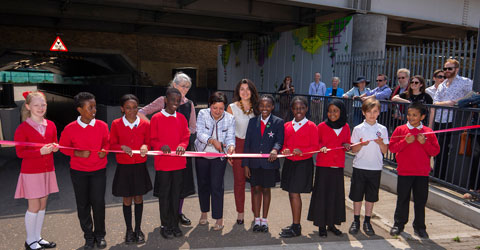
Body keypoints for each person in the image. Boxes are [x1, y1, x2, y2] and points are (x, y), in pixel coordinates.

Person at [138, 72, 196, 225]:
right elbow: (141, 112)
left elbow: (193, 128)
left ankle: (177, 213)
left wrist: (183, 135)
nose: (185, 89)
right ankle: (167, 217)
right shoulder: (162, 100)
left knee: (180, 185)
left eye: (188, 87)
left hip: (181, 149)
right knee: (166, 186)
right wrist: (155, 128)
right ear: (174, 85)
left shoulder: (189, 104)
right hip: (164, 150)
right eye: (183, 86)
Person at [59, 92, 109, 250]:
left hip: (99, 170)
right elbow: (63, 148)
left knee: (99, 203)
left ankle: (100, 235)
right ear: (79, 109)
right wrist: (77, 153)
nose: (94, 110)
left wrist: (104, 150)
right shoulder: (69, 128)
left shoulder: (102, 125)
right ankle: (88, 236)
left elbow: (108, 142)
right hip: (79, 172)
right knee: (83, 205)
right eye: (90, 107)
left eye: (94, 106)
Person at [14, 91, 58, 250]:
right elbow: (20, 153)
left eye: (43, 104)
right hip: (31, 172)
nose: (40, 108)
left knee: (42, 205)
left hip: (47, 170)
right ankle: (30, 240)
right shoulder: (23, 128)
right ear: (28, 106)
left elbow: (55, 143)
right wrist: (40, 152)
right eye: (36, 105)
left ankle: (38, 237)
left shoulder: (51, 125)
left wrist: (55, 148)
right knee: (33, 206)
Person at [389, 103, 440, 239]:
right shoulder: (400, 130)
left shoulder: (428, 132)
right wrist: (405, 142)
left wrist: (425, 143)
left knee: (420, 201)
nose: (411, 117)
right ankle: (398, 224)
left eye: (415, 115)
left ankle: (419, 227)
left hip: (422, 173)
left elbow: (435, 151)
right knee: (402, 199)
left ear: (422, 116)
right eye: (409, 114)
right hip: (405, 171)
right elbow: (392, 148)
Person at [110, 94, 152, 244]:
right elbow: (111, 144)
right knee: (127, 198)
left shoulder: (145, 124)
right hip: (124, 167)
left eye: (135, 107)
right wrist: (121, 146)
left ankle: (138, 229)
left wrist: (145, 146)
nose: (132, 111)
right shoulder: (116, 124)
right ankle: (129, 230)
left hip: (139, 166)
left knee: (138, 197)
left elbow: (149, 142)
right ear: (122, 109)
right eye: (128, 108)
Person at [150, 88, 190, 239]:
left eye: (178, 101)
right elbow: (152, 139)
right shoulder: (156, 118)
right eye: (172, 100)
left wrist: (182, 145)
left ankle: (174, 224)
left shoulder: (181, 118)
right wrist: (161, 146)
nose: (175, 103)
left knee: (176, 195)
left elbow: (186, 136)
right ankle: (165, 225)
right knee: (164, 195)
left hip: (179, 163)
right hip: (163, 164)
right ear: (165, 100)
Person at [307, 99, 351, 237]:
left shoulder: (346, 127)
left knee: (335, 196)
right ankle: (321, 225)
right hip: (323, 166)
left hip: (338, 166)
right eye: (330, 111)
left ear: (341, 112)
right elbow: (315, 144)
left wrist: (347, 145)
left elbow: (347, 142)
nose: (332, 114)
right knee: (322, 196)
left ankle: (331, 224)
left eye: (336, 111)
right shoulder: (321, 126)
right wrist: (321, 147)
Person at [243, 94, 284, 233]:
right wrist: (246, 164)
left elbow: (279, 140)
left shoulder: (278, 122)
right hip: (254, 164)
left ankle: (264, 220)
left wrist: (275, 149)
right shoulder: (252, 121)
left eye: (267, 106)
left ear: (272, 107)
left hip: (269, 164)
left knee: (266, 190)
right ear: (258, 107)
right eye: (261, 105)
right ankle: (256, 219)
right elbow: (247, 144)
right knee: (255, 190)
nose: (264, 108)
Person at [194, 91, 235, 231]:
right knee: (203, 185)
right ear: (209, 105)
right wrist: (212, 141)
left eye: (221, 108)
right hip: (202, 155)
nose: (217, 111)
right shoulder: (202, 114)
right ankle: (204, 213)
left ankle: (219, 218)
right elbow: (199, 134)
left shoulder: (230, 118)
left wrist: (230, 147)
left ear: (225, 107)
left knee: (217, 187)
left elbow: (230, 137)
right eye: (214, 108)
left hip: (219, 157)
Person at [279, 96, 318, 238]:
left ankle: (297, 226)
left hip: (303, 164)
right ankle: (295, 224)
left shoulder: (312, 126)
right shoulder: (287, 126)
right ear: (292, 109)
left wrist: (303, 151)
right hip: (290, 162)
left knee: (295, 193)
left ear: (306, 109)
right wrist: (284, 150)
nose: (299, 111)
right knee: (291, 193)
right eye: (296, 108)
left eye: (301, 108)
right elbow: (283, 144)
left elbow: (315, 147)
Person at [348, 99, 388, 236]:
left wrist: (381, 143)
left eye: (375, 111)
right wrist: (361, 144)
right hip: (360, 167)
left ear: (379, 112)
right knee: (357, 196)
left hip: (375, 168)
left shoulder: (382, 129)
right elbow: (354, 150)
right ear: (364, 113)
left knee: (371, 197)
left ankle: (367, 221)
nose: (372, 114)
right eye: (369, 112)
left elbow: (384, 151)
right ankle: (356, 220)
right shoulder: (358, 129)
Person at [430, 59, 473, 180]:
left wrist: (458, 103)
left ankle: (444, 177)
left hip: (454, 120)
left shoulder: (465, 82)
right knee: (438, 148)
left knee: (450, 150)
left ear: (456, 69)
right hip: (440, 119)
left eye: (450, 68)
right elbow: (435, 102)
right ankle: (437, 175)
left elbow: (473, 95)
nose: (447, 71)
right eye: (445, 69)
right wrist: (449, 102)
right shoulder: (442, 84)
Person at [227, 78, 259, 225]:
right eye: (242, 89)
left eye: (247, 89)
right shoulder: (231, 108)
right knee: (239, 181)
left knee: (255, 182)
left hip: (254, 147)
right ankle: (240, 212)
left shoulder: (259, 107)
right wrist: (229, 149)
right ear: (238, 92)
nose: (245, 92)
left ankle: (256, 213)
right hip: (238, 145)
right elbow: (227, 131)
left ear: (252, 91)